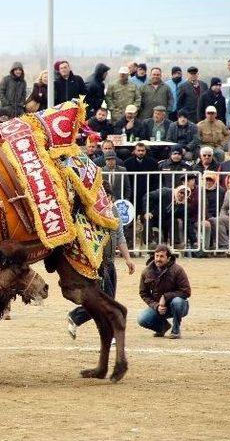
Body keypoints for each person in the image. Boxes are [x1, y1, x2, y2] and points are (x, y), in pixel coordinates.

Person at [67, 180, 135, 339]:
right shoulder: (89, 213)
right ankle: (109, 335)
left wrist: (128, 259)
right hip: (97, 263)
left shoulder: (115, 211)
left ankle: (76, 316)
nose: (107, 201)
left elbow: (120, 236)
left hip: (110, 262)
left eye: (109, 197)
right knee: (108, 302)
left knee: (106, 300)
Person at [137, 245, 191, 339]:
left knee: (177, 302)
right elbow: (143, 293)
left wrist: (166, 297)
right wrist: (156, 306)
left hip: (179, 306)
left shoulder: (177, 270)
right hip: (159, 307)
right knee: (142, 319)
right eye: (156, 256)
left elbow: (186, 291)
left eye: (162, 256)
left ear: (168, 258)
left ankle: (176, 330)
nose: (158, 259)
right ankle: (162, 328)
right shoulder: (146, 272)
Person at [124, 141, 159, 214]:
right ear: (134, 151)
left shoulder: (152, 162)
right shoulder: (127, 162)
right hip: (133, 192)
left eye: (142, 150)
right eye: (138, 150)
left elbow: (155, 179)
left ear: (145, 151)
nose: (140, 152)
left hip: (148, 191)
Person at [199, 172, 225, 250]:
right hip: (203, 215)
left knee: (214, 221)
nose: (208, 182)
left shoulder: (221, 191)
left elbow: (222, 205)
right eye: (206, 180)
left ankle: (220, 246)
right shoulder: (200, 190)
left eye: (210, 180)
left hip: (217, 214)